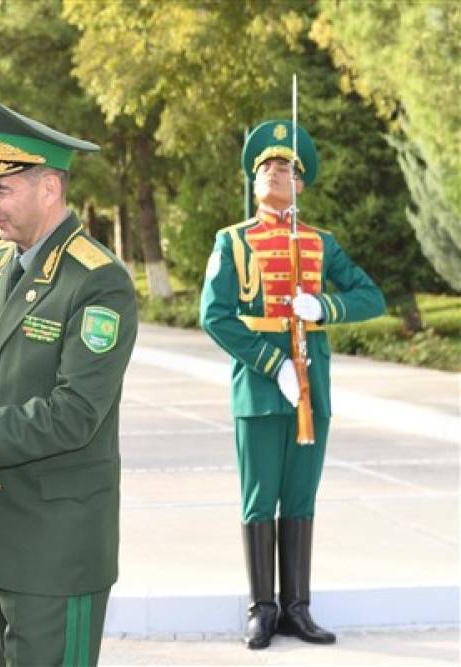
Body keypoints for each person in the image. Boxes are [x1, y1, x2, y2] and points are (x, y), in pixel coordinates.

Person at [0, 87, 138, 666]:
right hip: (2, 531)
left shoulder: (98, 282)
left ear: (49, 187)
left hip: (58, 544)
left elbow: (74, 415)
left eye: (1, 189)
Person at [199, 120, 385, 649]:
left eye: (285, 168)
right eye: (265, 166)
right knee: (259, 496)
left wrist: (325, 305)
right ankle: (263, 608)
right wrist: (270, 363)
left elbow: (372, 297)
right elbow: (215, 315)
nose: (274, 172)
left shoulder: (321, 243)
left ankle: (297, 609)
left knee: (300, 495)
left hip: (313, 384)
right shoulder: (233, 242)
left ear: (300, 185)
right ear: (253, 181)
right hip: (260, 387)